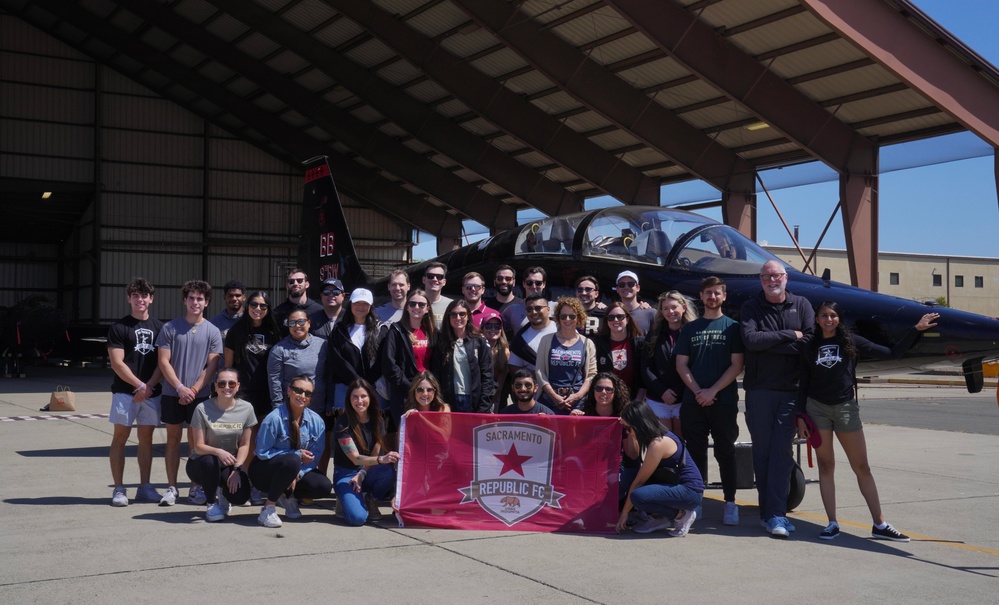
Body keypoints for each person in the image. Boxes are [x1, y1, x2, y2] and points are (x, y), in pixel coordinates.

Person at [797, 302, 939, 542]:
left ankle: (880, 523)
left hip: (845, 409)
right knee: (825, 466)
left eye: (833, 315)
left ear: (839, 319)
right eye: (824, 316)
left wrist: (915, 329)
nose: (828, 319)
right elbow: (803, 382)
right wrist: (800, 416)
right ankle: (832, 522)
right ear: (817, 319)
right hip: (816, 409)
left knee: (861, 466)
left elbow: (892, 353)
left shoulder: (851, 342)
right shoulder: (809, 345)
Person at [740, 260, 815, 538]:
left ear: (786, 278)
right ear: (761, 280)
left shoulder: (803, 305)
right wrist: (787, 336)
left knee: (782, 452)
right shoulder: (751, 307)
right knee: (762, 452)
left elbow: (807, 341)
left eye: (777, 275)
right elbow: (751, 340)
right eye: (767, 276)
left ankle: (776, 513)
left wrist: (770, 342)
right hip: (759, 392)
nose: (772, 280)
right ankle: (768, 513)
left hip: (790, 393)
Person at [675, 276, 745, 526]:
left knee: (726, 451)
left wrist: (712, 391)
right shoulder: (690, 329)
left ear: (724, 296)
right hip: (694, 403)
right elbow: (681, 364)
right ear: (701, 296)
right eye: (708, 293)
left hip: (723, 402)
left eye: (717, 293)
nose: (712, 297)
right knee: (695, 454)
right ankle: (697, 501)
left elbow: (737, 365)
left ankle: (730, 502)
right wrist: (698, 392)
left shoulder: (733, 327)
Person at [155, 279, 223, 507]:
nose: (195, 302)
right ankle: (172, 488)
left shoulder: (213, 331)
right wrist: (180, 388)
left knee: (196, 444)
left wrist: (193, 389)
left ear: (207, 302)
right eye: (191, 298)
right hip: (173, 393)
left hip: (200, 397)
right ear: (185, 300)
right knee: (172, 440)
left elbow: (211, 366)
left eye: (200, 299)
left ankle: (195, 487)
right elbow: (164, 362)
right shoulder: (169, 328)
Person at [107, 278, 164, 506]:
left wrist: (148, 386)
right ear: (128, 298)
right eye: (135, 295)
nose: (140, 299)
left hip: (151, 394)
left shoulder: (160, 328)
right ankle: (119, 489)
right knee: (120, 439)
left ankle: (145, 487)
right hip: (124, 393)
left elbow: (163, 362)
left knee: (146, 439)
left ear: (151, 298)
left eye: (144, 295)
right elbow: (117, 363)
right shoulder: (119, 328)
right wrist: (139, 386)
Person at [250, 375, 332, 528]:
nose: (302, 396)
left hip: (295, 470)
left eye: (308, 393)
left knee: (323, 486)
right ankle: (268, 508)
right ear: (289, 390)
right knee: (293, 459)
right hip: (264, 471)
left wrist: (297, 473)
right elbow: (262, 452)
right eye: (298, 390)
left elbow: (315, 458)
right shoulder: (273, 419)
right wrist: (295, 457)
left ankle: (287, 496)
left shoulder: (317, 422)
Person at [223, 290, 281, 505]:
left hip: (268, 393)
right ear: (247, 306)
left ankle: (262, 483)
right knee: (247, 441)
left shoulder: (274, 331)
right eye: (254, 305)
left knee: (265, 441)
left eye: (263, 306)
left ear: (268, 309)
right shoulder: (236, 331)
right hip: (245, 394)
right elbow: (228, 365)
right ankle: (248, 484)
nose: (258, 309)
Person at [616, 401, 703, 537]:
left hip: (690, 491)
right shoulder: (650, 436)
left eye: (628, 428)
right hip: (672, 483)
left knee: (638, 496)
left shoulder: (659, 443)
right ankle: (659, 518)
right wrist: (629, 433)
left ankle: (681, 515)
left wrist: (624, 513)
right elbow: (633, 455)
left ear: (639, 425)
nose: (627, 431)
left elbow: (639, 482)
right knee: (628, 476)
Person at [186, 368, 256, 522]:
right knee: (210, 460)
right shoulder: (202, 408)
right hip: (201, 463)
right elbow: (198, 446)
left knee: (240, 496)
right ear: (215, 386)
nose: (227, 387)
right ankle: (211, 504)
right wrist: (219, 452)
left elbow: (245, 445)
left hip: (229, 463)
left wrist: (237, 469)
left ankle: (222, 493)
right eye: (222, 384)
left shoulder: (246, 408)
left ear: (238, 386)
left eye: (231, 384)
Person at [333, 379, 401, 526]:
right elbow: (356, 459)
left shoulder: (378, 420)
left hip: (366, 471)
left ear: (370, 397)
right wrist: (381, 459)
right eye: (355, 397)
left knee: (388, 472)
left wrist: (362, 474)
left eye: (363, 396)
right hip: (345, 474)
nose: (359, 401)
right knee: (358, 519)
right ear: (349, 399)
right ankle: (344, 499)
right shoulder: (342, 423)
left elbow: (375, 453)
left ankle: (371, 499)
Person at [642, 291, 698, 433]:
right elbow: (646, 367)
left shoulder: (694, 332)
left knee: (681, 442)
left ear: (683, 307)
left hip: (684, 398)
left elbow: (696, 366)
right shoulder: (654, 333)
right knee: (665, 442)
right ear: (661, 311)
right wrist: (662, 391)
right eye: (665, 308)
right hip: (658, 399)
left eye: (674, 307)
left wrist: (678, 391)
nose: (670, 312)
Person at [381, 289, 437, 429]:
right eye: (412, 304)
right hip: (403, 393)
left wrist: (430, 388)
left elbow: (438, 364)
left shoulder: (433, 332)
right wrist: (411, 388)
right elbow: (389, 363)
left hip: (427, 394)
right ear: (407, 307)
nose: (416, 307)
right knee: (406, 437)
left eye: (421, 305)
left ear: (427, 309)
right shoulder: (396, 331)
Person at [431, 299, 495, 412]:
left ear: (468, 316)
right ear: (448, 317)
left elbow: (488, 375)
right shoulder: (441, 342)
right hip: (449, 400)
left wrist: (484, 406)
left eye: (462, 314)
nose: (458, 318)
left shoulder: (479, 340)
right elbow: (436, 375)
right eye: (454, 314)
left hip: (474, 400)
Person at [535, 297, 596, 414]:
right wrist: (553, 396)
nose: (567, 319)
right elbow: (539, 371)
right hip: (549, 400)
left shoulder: (587, 343)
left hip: (577, 402)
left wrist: (577, 396)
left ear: (578, 317)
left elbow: (591, 375)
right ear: (558, 317)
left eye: (572, 316)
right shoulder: (546, 340)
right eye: (563, 316)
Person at [328, 288, 382, 412]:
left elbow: (382, 360)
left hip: (373, 387)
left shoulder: (380, 329)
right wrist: (356, 382)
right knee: (346, 427)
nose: (360, 307)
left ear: (371, 306)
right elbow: (336, 360)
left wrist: (366, 383)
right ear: (350, 303)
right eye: (357, 303)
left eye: (365, 304)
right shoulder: (339, 330)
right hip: (345, 387)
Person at [594, 302, 645, 399]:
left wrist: (637, 402)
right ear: (607, 321)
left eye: (620, 317)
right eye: (611, 317)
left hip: (633, 398)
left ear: (627, 319)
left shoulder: (639, 343)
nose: (615, 320)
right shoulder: (598, 343)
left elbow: (643, 377)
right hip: (606, 400)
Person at [507, 293, 556, 372]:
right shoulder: (520, 339)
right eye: (529, 309)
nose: (534, 312)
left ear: (548, 310)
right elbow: (514, 366)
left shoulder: (563, 329)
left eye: (538, 308)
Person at [501, 266, 548, 335]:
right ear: (524, 284)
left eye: (538, 283)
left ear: (544, 284)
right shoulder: (513, 310)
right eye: (529, 282)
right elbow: (495, 330)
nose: (534, 286)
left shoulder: (555, 307)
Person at [273, 268, 323, 332]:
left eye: (299, 280)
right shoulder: (278, 312)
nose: (295, 284)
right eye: (291, 281)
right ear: (287, 286)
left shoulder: (319, 310)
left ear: (307, 284)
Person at [482, 316, 511, 411]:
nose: (493, 329)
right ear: (482, 328)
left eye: (497, 326)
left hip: (496, 395)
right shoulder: (476, 348)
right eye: (489, 326)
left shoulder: (505, 352)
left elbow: (501, 382)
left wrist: (491, 402)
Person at [422, 262, 453, 329]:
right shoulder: (413, 303)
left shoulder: (451, 305)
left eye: (439, 277)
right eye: (430, 276)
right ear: (424, 280)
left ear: (444, 282)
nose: (435, 279)